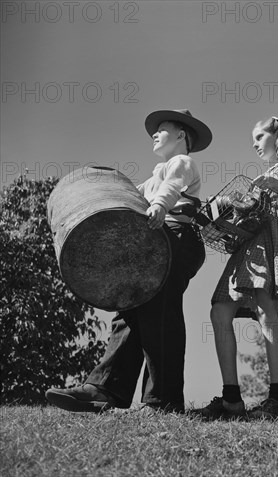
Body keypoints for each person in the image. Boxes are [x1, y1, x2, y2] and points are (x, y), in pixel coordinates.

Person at [45, 109, 210, 413]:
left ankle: (163, 400)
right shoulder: (153, 176)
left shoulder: (182, 162)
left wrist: (159, 206)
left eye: (161, 130)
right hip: (156, 239)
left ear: (181, 135)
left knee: (160, 313)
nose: (154, 135)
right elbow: (130, 198)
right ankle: (104, 389)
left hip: (176, 236)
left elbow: (171, 187)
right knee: (131, 309)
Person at [198, 117, 278, 419]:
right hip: (249, 247)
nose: (254, 143)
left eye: (260, 136)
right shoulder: (264, 174)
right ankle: (231, 398)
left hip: (274, 242)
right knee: (219, 310)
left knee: (266, 310)